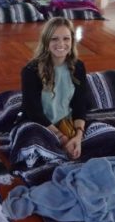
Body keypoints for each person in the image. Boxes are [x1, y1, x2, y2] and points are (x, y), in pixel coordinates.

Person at [20, 17, 88, 160]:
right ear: (46, 42)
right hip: (41, 124)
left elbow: (80, 104)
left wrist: (78, 137)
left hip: (67, 122)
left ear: (72, 41)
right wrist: (63, 139)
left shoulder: (78, 66)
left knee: (110, 134)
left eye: (66, 38)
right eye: (54, 39)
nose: (61, 44)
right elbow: (33, 112)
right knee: (32, 147)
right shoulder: (31, 70)